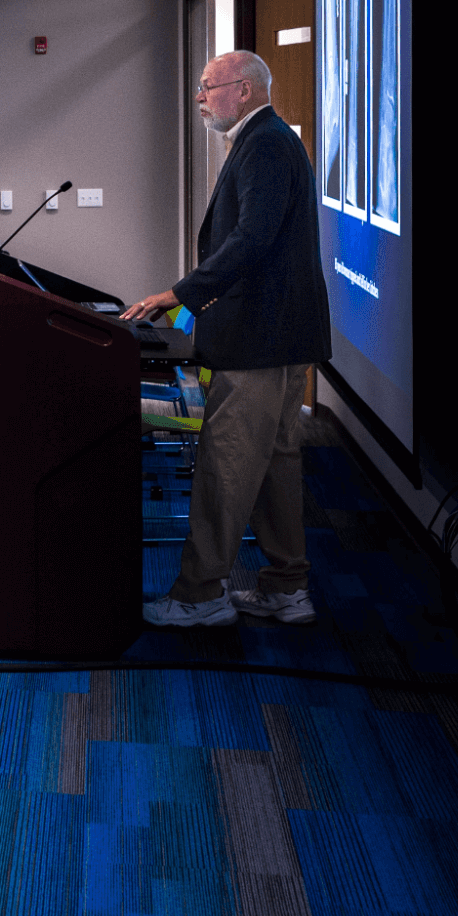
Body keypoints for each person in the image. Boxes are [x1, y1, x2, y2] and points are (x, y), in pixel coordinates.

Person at [120, 50, 332, 629]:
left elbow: (252, 239)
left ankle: (199, 596)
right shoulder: (267, 138)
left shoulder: (263, 143)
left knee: (230, 464)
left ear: (242, 89)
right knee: (275, 463)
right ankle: (287, 587)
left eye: (207, 87)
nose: (199, 97)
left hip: (260, 340)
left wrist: (179, 294)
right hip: (283, 336)